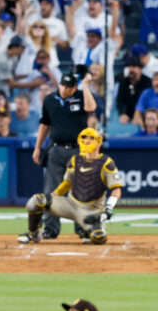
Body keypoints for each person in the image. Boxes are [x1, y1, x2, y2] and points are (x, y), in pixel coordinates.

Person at [19, 127, 122, 245]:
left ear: (98, 142)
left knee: (99, 237)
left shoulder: (106, 163)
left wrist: (108, 208)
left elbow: (116, 189)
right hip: (71, 204)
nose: (87, 141)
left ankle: (90, 229)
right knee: (36, 201)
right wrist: (50, 197)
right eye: (84, 138)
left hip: (92, 210)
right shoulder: (74, 161)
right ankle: (34, 233)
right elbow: (66, 184)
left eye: (91, 138)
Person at [32, 72, 96, 239]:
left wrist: (86, 85)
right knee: (52, 190)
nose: (65, 89)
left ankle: (83, 227)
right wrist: (37, 147)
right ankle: (51, 228)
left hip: (78, 150)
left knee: (80, 190)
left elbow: (91, 108)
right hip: (56, 149)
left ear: (75, 87)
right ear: (59, 84)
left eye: (69, 86)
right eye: (63, 85)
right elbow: (44, 124)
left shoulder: (82, 96)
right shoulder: (49, 100)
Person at [116, 57, 151, 124]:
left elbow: (149, 101)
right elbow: (120, 100)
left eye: (134, 67)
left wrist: (140, 116)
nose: (131, 69)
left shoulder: (147, 82)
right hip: (128, 115)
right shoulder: (124, 82)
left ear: (140, 69)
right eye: (130, 67)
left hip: (144, 115)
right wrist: (122, 113)